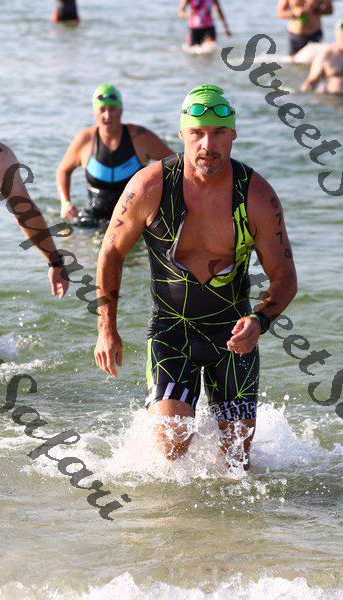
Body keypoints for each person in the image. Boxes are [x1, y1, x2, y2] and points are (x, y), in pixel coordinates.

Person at [94, 84, 297, 468]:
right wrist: (107, 327)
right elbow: (111, 251)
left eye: (218, 133)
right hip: (171, 330)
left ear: (233, 134)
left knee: (237, 462)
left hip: (233, 333)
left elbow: (284, 274)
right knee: (170, 447)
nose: (208, 144)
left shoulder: (256, 195)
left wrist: (260, 320)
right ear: (182, 134)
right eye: (197, 133)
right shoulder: (150, 186)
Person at [0, 138, 68, 357]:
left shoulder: (0, 158)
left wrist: (55, 261)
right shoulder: (0, 157)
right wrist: (55, 262)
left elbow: (26, 214)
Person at [57, 84, 173, 228]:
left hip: (132, 218)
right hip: (93, 218)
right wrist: (65, 203)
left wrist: (164, 201)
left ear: (121, 110)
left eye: (112, 109)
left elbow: (175, 164)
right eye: (102, 110)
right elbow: (63, 171)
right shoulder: (85, 140)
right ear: (94, 113)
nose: (107, 115)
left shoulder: (140, 137)